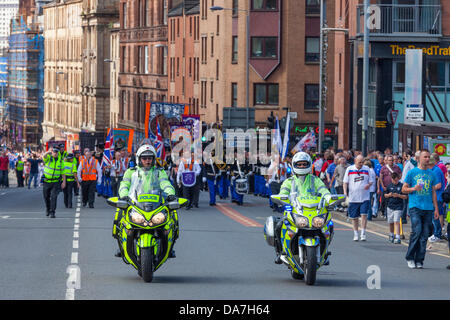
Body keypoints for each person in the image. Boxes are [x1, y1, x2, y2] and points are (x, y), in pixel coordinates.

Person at [118, 144, 176, 257]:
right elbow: (124, 184)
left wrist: (170, 194)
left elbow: (165, 183)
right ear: (139, 159)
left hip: (155, 204)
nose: (147, 161)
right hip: (136, 203)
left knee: (171, 219)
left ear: (153, 159)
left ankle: (170, 248)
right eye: (144, 158)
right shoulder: (131, 171)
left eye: (150, 158)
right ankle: (120, 245)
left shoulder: (160, 172)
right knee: (120, 214)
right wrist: (124, 195)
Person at [273, 151, 331, 264]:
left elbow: (323, 190)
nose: (302, 166)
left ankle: (325, 252)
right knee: (278, 226)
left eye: (304, 164)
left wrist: (328, 197)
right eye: (299, 164)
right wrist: (281, 198)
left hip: (313, 212)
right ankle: (281, 252)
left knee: (329, 226)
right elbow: (283, 192)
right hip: (295, 211)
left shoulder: (315, 180)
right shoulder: (289, 181)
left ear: (309, 164)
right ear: (294, 165)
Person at [402, 150, 440, 269]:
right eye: (425, 157)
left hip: (428, 208)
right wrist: (414, 188)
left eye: (429, 157)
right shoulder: (412, 172)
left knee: (424, 235)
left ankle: (419, 259)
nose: (427, 159)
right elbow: (404, 189)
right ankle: (410, 257)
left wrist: (436, 209)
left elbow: (433, 191)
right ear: (419, 159)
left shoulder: (431, 173)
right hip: (415, 207)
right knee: (417, 231)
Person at [343, 155, 374, 241]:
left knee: (364, 215)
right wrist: (345, 193)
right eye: (359, 162)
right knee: (354, 217)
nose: (361, 164)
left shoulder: (367, 169)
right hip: (353, 197)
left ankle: (363, 233)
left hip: (365, 197)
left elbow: (371, 181)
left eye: (362, 162)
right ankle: (356, 234)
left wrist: (368, 185)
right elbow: (345, 182)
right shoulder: (349, 169)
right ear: (355, 161)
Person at [428, 154, 446, 243]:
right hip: (435, 197)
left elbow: (438, 185)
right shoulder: (433, 170)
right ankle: (435, 234)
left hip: (438, 197)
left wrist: (428, 188)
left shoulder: (436, 171)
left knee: (435, 216)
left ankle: (437, 234)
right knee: (434, 216)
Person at [385, 172, 407, 244]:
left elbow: (405, 196)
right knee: (391, 222)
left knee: (396, 221)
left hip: (398, 206)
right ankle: (391, 234)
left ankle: (397, 236)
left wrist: (398, 195)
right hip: (390, 206)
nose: (395, 181)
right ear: (391, 179)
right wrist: (389, 195)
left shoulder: (401, 186)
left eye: (396, 180)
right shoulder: (389, 186)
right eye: (394, 180)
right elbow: (385, 195)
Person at [42, 148, 63, 218]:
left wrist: (64, 182)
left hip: (55, 182)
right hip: (47, 181)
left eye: (56, 152)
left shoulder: (60, 160)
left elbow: (63, 172)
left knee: (54, 197)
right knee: (46, 197)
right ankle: (48, 209)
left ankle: (52, 212)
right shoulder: (48, 158)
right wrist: (48, 152)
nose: (55, 153)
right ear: (52, 153)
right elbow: (43, 156)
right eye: (54, 152)